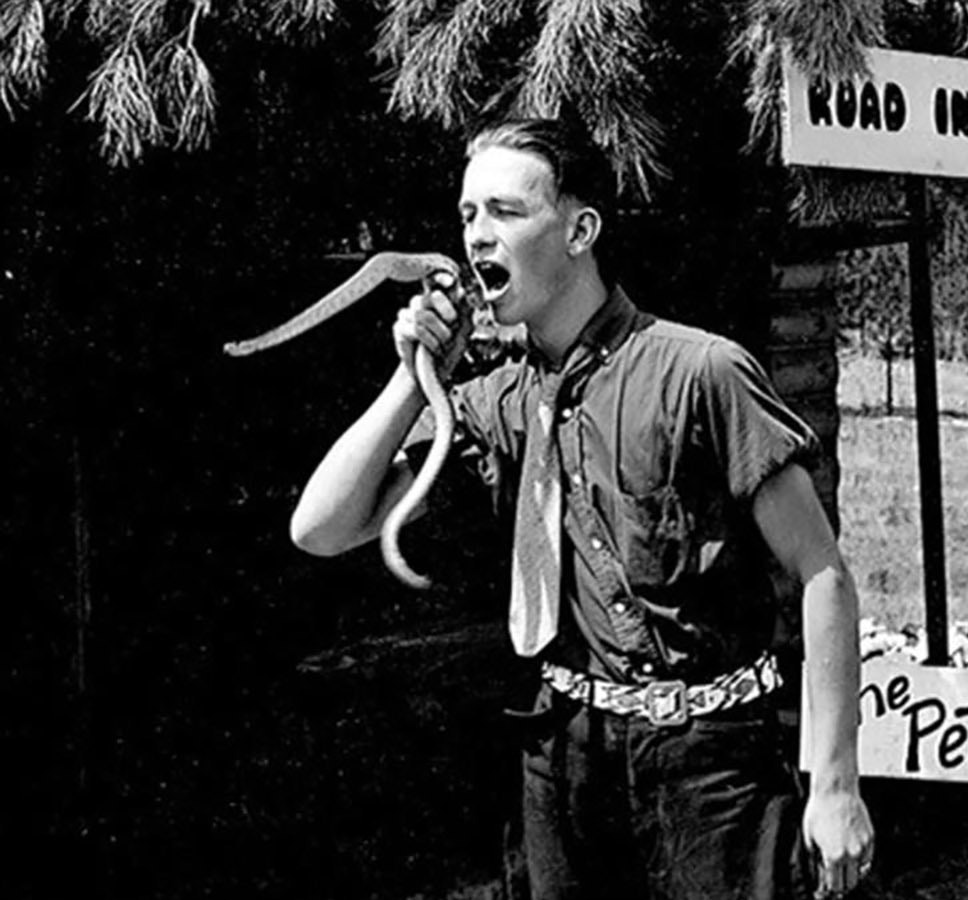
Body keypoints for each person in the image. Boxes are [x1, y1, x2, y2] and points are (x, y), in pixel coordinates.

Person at [288, 117, 874, 899]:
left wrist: (834, 784)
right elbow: (320, 528)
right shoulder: (493, 402)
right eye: (467, 216)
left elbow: (822, 571)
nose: (477, 236)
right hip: (563, 762)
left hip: (710, 768)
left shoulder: (700, 373)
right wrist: (414, 375)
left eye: (505, 211)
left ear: (580, 229)